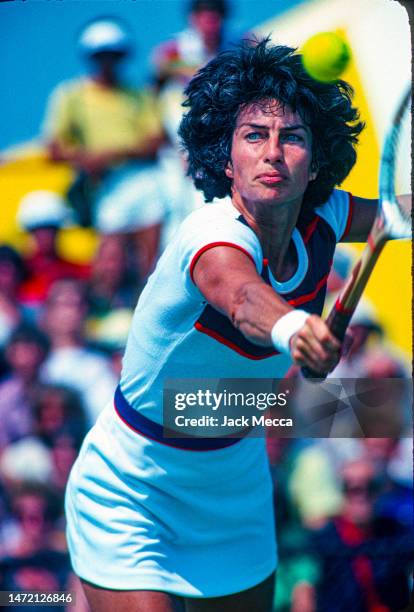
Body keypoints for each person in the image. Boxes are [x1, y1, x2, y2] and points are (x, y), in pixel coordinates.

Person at [65, 39, 387, 611]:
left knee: (381, 405)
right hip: (132, 487)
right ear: (225, 156)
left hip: (233, 474)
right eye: (254, 136)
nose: (273, 152)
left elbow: (398, 211)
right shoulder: (209, 233)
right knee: (370, 406)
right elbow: (242, 296)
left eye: (292, 137)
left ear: (314, 159)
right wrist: (296, 331)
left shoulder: (329, 216)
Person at [44, 17, 167, 280]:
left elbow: (157, 140)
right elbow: (53, 149)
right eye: (101, 55)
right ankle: (104, 311)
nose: (108, 61)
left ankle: (140, 309)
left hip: (142, 179)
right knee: (110, 257)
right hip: (105, 184)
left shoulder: (138, 94)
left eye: (113, 55)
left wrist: (111, 154)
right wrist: (85, 158)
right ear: (91, 57)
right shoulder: (71, 95)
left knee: (150, 260)